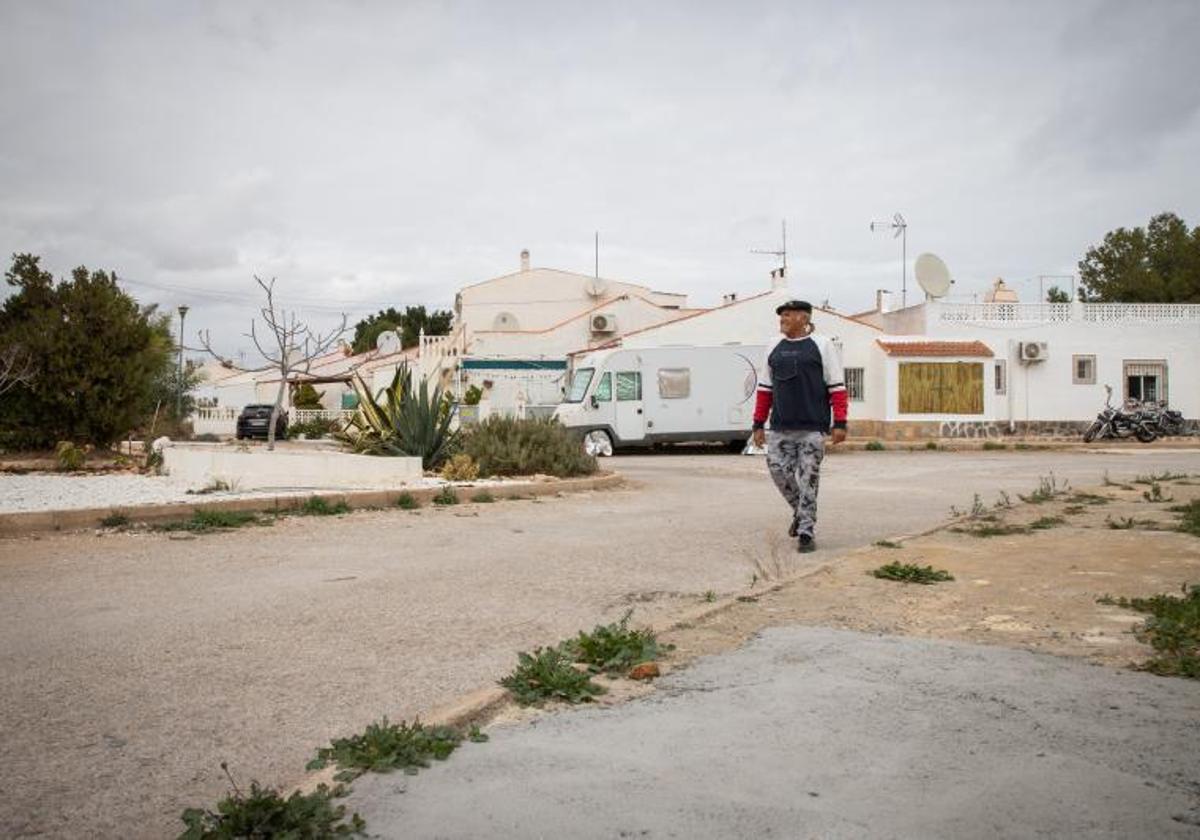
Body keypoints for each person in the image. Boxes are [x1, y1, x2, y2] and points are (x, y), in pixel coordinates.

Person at [751, 300, 848, 552]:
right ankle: (800, 511)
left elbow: (837, 387)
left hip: (811, 428)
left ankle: (806, 531)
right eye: (781, 315)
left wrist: (840, 422)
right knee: (778, 472)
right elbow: (764, 388)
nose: (782, 318)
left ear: (804, 319)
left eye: (788, 314)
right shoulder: (774, 346)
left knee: (808, 480)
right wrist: (758, 424)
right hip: (780, 427)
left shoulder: (822, 345)